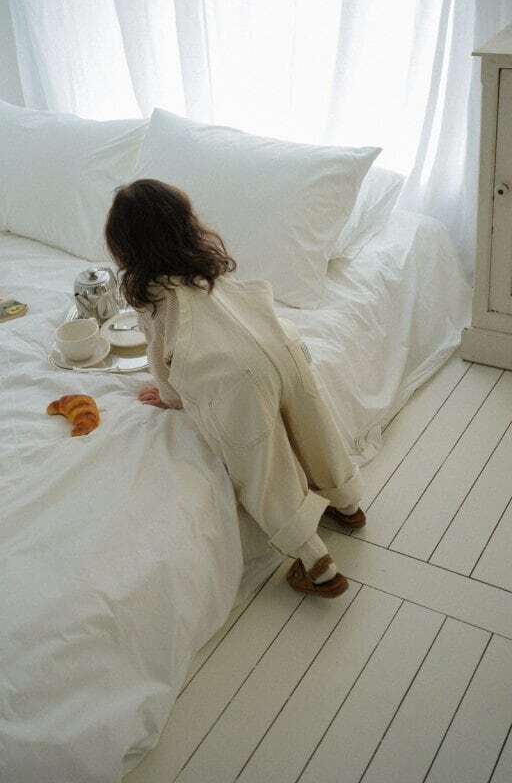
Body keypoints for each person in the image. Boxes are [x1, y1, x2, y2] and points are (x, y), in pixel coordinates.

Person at [105, 179, 366, 598]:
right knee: (315, 428)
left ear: (126, 249)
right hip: (281, 345)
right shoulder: (205, 266)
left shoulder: (152, 294)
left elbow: (161, 357)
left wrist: (170, 398)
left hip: (235, 377)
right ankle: (347, 503)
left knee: (265, 467)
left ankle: (317, 565)